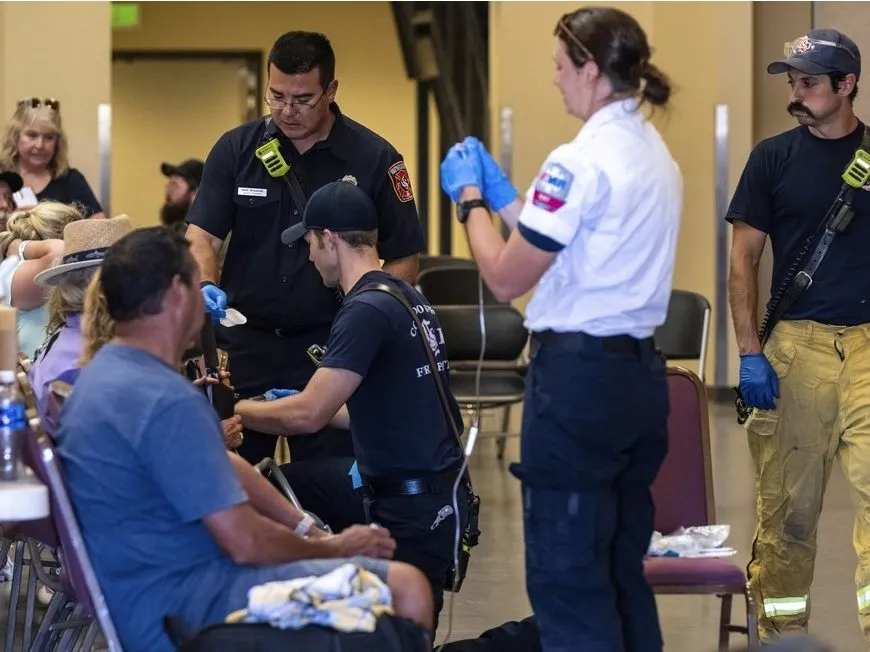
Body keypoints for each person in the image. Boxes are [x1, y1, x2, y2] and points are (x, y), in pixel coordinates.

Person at [55, 226, 433, 652]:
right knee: (407, 587)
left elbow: (223, 471)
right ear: (180, 293)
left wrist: (310, 532)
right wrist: (335, 550)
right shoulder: (164, 398)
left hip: (147, 601)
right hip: (197, 610)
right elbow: (247, 541)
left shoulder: (103, 377)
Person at [439, 7, 681, 652]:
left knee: (569, 580)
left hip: (579, 387)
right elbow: (568, 245)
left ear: (592, 71)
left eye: (558, 66)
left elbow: (505, 277)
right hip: (636, 380)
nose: (553, 80)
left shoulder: (579, 161)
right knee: (619, 572)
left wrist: (470, 202)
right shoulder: (655, 155)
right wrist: (508, 196)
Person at [233, 180, 470, 626]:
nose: (307, 256)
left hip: (408, 507)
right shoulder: (405, 296)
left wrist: (239, 411)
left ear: (329, 238)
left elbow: (309, 415)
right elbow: (374, 407)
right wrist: (296, 405)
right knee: (291, 484)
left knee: (403, 636)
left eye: (309, 243)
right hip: (436, 492)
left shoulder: (364, 310)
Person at [185, 31, 426, 465]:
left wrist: (366, 319)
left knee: (331, 486)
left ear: (331, 91)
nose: (286, 111)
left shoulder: (373, 158)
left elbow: (405, 257)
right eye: (275, 97)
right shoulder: (237, 150)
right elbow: (201, 236)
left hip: (331, 345)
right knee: (236, 479)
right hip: (246, 343)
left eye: (302, 99)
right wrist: (204, 283)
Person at [727, 28, 870, 644]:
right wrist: (750, 353)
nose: (797, 92)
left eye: (809, 82)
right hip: (795, 352)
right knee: (788, 518)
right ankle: (783, 639)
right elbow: (742, 262)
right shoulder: (772, 158)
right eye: (792, 81)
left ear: (848, 85)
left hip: (869, 349)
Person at [0, 97, 104, 218]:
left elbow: (100, 226)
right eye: (32, 135)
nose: (40, 145)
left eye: (49, 137)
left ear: (58, 142)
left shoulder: (70, 180)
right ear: (15, 137)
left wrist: (48, 218)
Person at [160, 158, 203, 234]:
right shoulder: (172, 231)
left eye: (175, 186)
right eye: (168, 185)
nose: (168, 193)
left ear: (196, 192)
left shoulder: (209, 234)